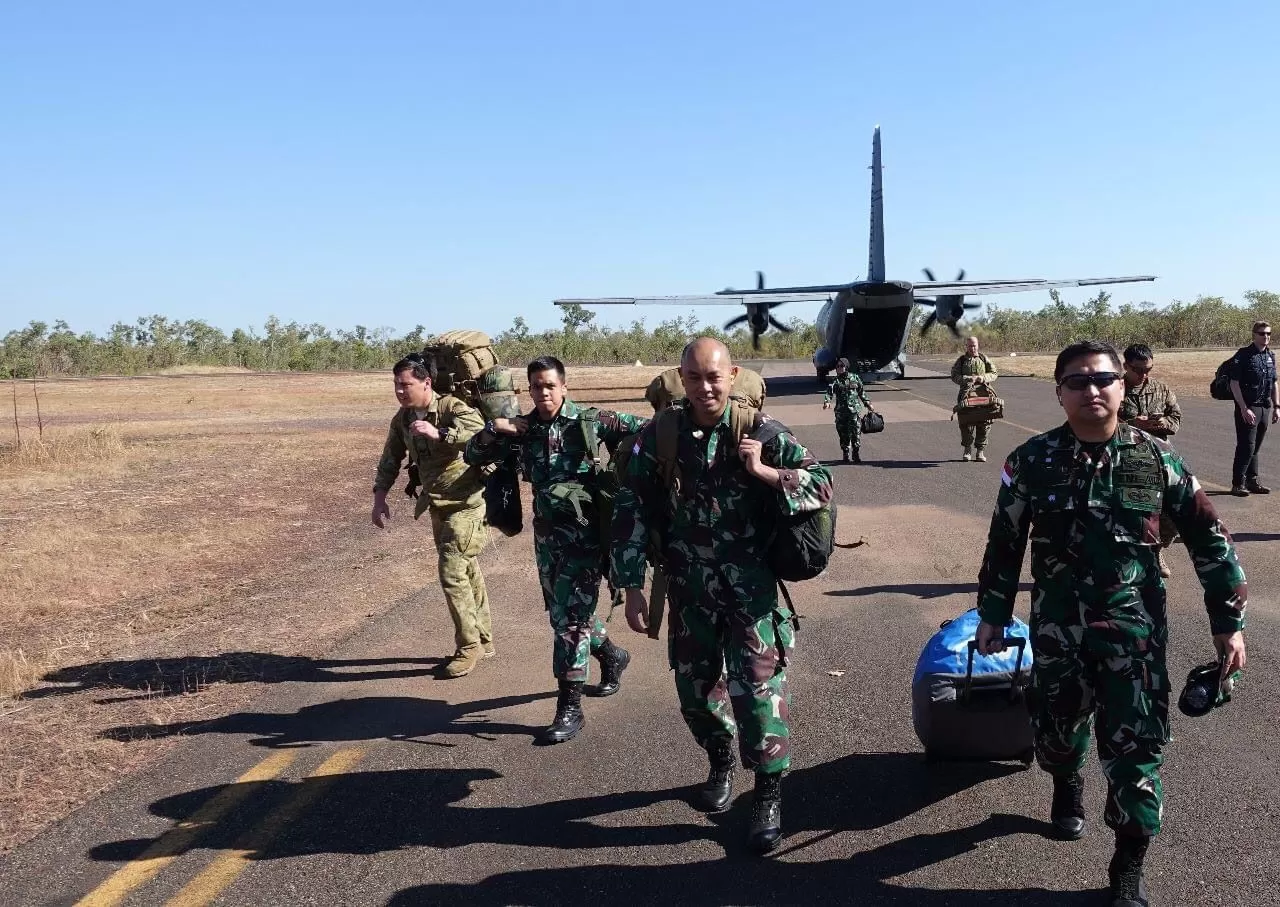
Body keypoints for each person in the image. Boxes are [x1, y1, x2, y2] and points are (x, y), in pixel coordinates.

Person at [974, 340, 1247, 907]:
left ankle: (1127, 866)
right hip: (1058, 635)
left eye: (1103, 379)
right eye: (1077, 381)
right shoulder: (1030, 461)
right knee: (1056, 735)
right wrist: (993, 616)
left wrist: (1228, 622)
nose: (1091, 390)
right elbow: (1004, 543)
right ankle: (1066, 780)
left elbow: (1209, 540)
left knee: (1138, 752)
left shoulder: (1159, 460)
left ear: (1123, 386)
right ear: (1059, 392)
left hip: (1135, 638)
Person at [613, 337, 834, 853]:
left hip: (750, 594)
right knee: (695, 694)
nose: (705, 387)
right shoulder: (661, 434)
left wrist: (766, 472)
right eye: (694, 377)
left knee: (757, 695)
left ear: (731, 376)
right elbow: (632, 504)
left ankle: (767, 793)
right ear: (682, 379)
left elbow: (821, 485)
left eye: (714, 377)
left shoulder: (762, 431)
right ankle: (719, 759)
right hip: (689, 592)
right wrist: (631, 585)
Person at [466, 356, 647, 744]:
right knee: (563, 614)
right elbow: (473, 455)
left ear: (564, 387)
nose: (544, 392)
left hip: (586, 538)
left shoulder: (592, 421)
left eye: (550, 385)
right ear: (529, 390)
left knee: (570, 622)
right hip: (547, 540)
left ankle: (570, 708)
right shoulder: (523, 429)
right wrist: (494, 428)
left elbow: (647, 432)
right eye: (536, 386)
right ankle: (613, 656)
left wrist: (626, 474)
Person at [372, 352, 493, 679]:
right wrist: (379, 497)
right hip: (438, 506)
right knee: (466, 569)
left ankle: (468, 647)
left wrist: (441, 434)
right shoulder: (403, 419)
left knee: (451, 571)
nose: (400, 390)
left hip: (467, 505)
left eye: (406, 384)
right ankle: (483, 638)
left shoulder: (452, 408)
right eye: (396, 385)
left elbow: (483, 435)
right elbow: (390, 458)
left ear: (426, 382)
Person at [1118, 344, 1183, 578]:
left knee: (1172, 514)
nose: (1144, 375)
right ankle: (1130, 559)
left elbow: (1176, 418)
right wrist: (1133, 424)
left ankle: (1156, 550)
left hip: (1159, 459)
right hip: (1125, 461)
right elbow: (1100, 424)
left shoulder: (1161, 389)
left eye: (1148, 369)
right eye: (1138, 370)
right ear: (1126, 366)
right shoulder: (1114, 389)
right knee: (1131, 516)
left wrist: (1163, 422)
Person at [1227, 321, 1278, 496]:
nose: (1266, 337)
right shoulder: (1243, 355)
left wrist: (1277, 406)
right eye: (1262, 333)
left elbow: (1274, 383)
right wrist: (1243, 408)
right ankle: (1237, 484)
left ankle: (1252, 481)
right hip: (1248, 407)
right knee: (1246, 446)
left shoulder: (1270, 356)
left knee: (1255, 447)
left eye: (1268, 333)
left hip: (1265, 407)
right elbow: (1234, 383)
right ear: (1254, 335)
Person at [950, 335, 999, 462]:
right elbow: (954, 375)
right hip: (966, 395)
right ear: (966, 346)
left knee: (985, 423)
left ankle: (980, 451)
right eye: (970, 346)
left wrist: (983, 378)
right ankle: (967, 450)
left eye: (974, 345)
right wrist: (967, 379)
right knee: (966, 423)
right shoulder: (961, 360)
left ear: (978, 345)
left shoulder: (984, 358)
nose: (972, 348)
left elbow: (994, 373)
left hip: (984, 395)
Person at [822, 357, 873, 463]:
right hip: (841, 413)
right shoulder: (835, 381)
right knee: (843, 433)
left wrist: (867, 403)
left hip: (854, 412)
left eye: (842, 366)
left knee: (856, 433)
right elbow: (829, 392)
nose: (839, 368)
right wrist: (827, 402)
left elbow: (861, 392)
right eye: (837, 366)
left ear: (846, 367)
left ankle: (856, 453)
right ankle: (845, 452)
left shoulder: (855, 378)